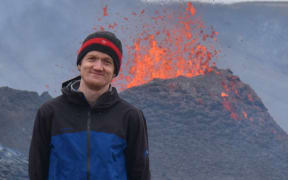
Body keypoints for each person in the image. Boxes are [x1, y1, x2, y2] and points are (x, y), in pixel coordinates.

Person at [28, 31, 151, 180]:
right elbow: (37, 171)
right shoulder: (50, 113)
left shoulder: (130, 116)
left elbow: (140, 174)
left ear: (114, 72)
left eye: (107, 62)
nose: (98, 67)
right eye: (92, 59)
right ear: (80, 64)